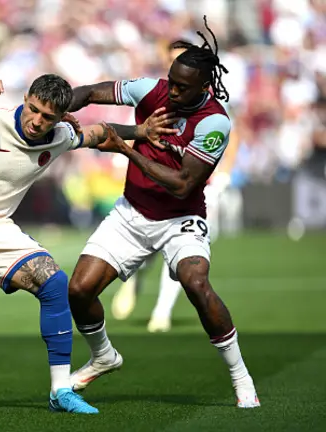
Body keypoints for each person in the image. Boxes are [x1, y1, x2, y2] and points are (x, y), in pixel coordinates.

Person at [0, 73, 172, 416]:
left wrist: (141, 132)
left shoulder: (62, 136)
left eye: (48, 117)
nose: (37, 122)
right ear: (26, 98)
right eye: (33, 110)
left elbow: (98, 134)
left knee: (55, 284)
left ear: (61, 116)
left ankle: (60, 390)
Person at [66, 17, 260, 408]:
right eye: (170, 80)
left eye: (181, 86)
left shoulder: (215, 122)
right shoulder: (149, 90)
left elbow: (183, 184)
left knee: (196, 284)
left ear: (203, 88)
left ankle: (241, 378)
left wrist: (126, 147)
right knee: (78, 289)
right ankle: (104, 356)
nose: (171, 90)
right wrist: (55, 107)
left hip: (179, 220)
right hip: (131, 212)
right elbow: (87, 93)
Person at [111, 40, 200, 333]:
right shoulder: (155, 95)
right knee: (147, 249)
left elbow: (230, 131)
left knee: (180, 256)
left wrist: (222, 171)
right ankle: (135, 278)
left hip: (192, 189)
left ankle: (162, 312)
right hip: (154, 185)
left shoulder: (208, 101)